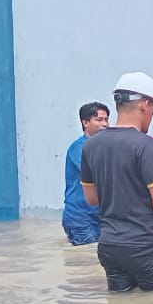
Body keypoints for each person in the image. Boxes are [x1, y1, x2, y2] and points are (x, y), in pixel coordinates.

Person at [80, 71, 153, 292]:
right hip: (147, 246)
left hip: (111, 246)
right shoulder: (146, 145)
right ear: (145, 105)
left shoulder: (91, 145)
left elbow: (92, 198)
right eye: (152, 110)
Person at [61, 101, 108, 245]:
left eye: (106, 119)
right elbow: (98, 173)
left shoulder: (105, 148)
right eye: (99, 120)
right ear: (85, 122)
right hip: (80, 218)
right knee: (87, 262)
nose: (105, 124)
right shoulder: (79, 148)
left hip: (101, 217)